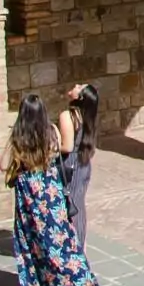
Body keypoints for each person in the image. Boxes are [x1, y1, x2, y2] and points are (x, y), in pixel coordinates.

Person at [7, 93, 97, 286]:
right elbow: (58, 152)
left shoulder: (17, 137)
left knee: (29, 240)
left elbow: (3, 164)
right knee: (58, 238)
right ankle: (67, 285)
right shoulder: (52, 132)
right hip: (50, 189)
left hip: (28, 191)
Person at [54, 83, 100, 251]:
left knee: (69, 204)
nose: (75, 85)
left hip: (70, 165)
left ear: (79, 97)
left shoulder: (68, 115)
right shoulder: (88, 116)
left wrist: (50, 147)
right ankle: (79, 243)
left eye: (80, 87)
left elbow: (66, 146)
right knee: (78, 205)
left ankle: (73, 247)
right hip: (83, 164)